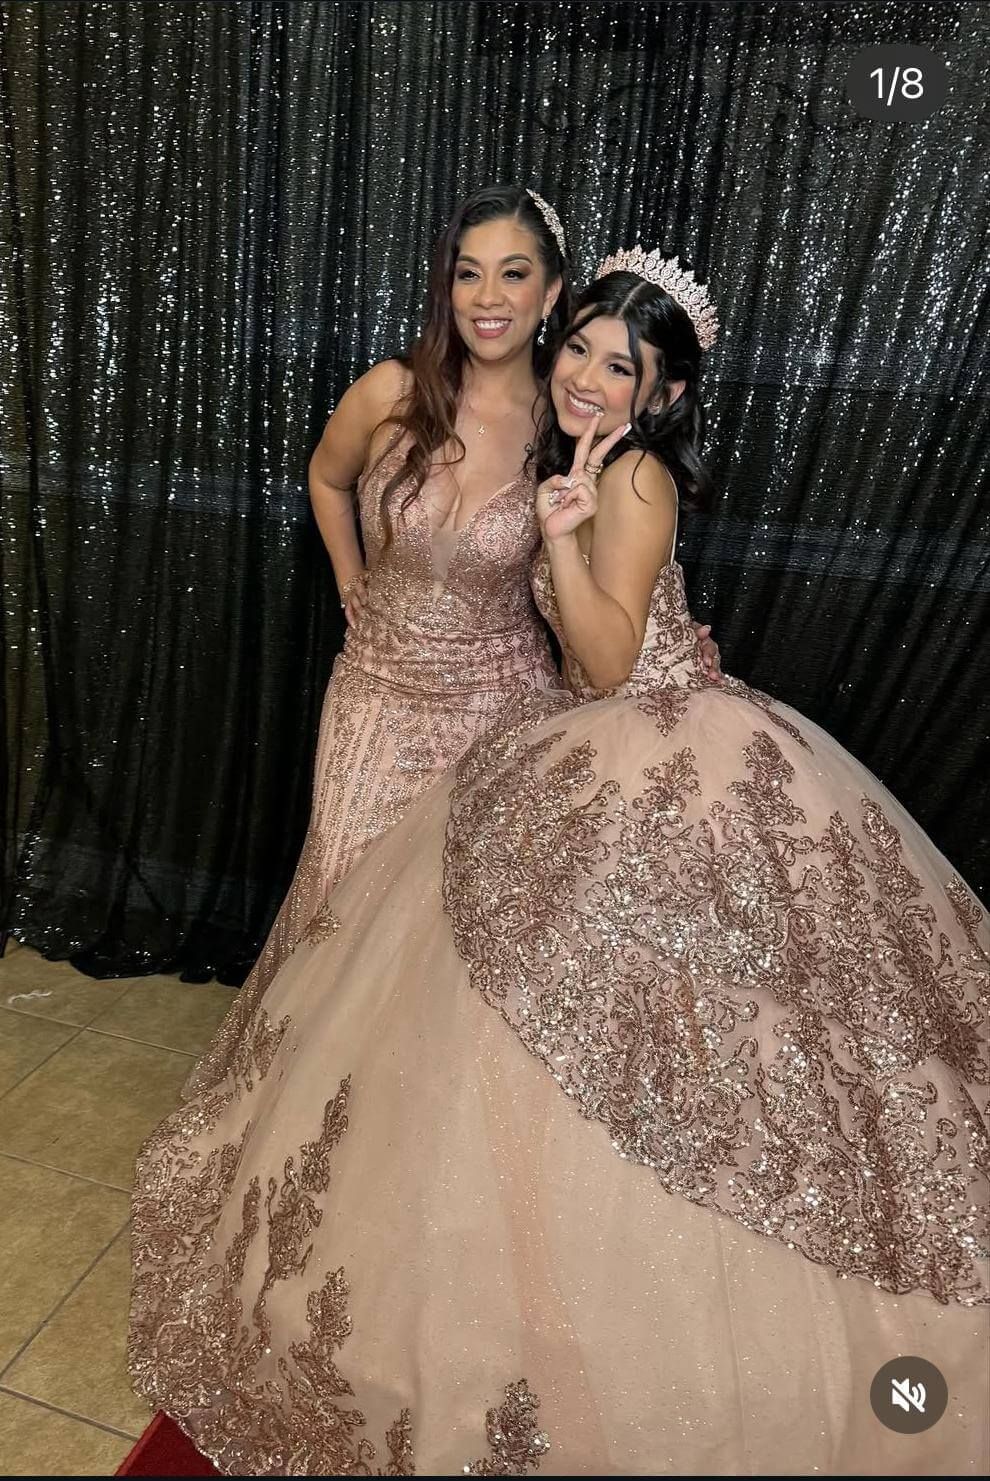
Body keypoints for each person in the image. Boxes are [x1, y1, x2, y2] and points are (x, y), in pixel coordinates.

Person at [130, 252, 989, 1477]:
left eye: (618, 364)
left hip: (656, 753)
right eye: (578, 345)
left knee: (647, 1039)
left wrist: (565, 539)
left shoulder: (631, 475)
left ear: (666, 393)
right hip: (602, 739)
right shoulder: (584, 455)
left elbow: (606, 662)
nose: (585, 374)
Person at [188, 187, 721, 1097]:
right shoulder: (394, 391)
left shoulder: (571, 423)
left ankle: (394, 1121)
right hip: (376, 693)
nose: (488, 297)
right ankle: (308, 1111)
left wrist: (666, 641)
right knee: (340, 902)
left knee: (446, 939)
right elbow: (325, 477)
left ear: (551, 292)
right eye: (468, 273)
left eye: (514, 274)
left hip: (497, 707)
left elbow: (610, 586)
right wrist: (351, 578)